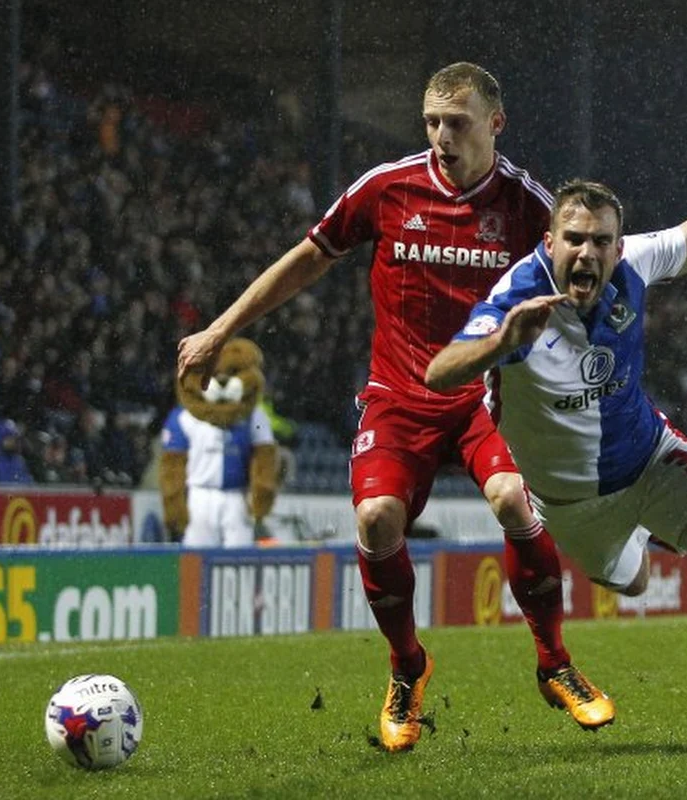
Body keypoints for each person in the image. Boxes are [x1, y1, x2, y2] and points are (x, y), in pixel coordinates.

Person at [177, 62, 613, 752]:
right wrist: (222, 328)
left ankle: (554, 662)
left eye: (458, 123)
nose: (442, 136)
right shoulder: (387, 188)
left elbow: (587, 285)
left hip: (485, 399)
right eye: (433, 122)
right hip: (399, 398)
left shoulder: (532, 208)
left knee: (510, 500)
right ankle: (407, 666)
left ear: (495, 125)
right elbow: (307, 256)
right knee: (377, 519)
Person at [426, 68, 687, 762]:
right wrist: (501, 342)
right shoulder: (516, 299)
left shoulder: (634, 265)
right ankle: (642, 547)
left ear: (615, 246)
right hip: (574, 504)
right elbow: (439, 370)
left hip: (652, 457)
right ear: (550, 243)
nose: (588, 253)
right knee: (632, 581)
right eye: (574, 239)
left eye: (601, 241)